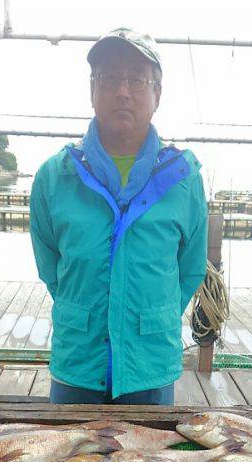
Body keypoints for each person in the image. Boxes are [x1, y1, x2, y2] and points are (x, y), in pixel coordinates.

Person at [30, 27, 208, 405]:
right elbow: (50, 267)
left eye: (137, 79)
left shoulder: (183, 178)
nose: (123, 91)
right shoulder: (54, 176)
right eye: (110, 77)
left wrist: (148, 317)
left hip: (150, 366)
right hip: (78, 364)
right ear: (92, 89)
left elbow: (190, 269)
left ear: (157, 94)